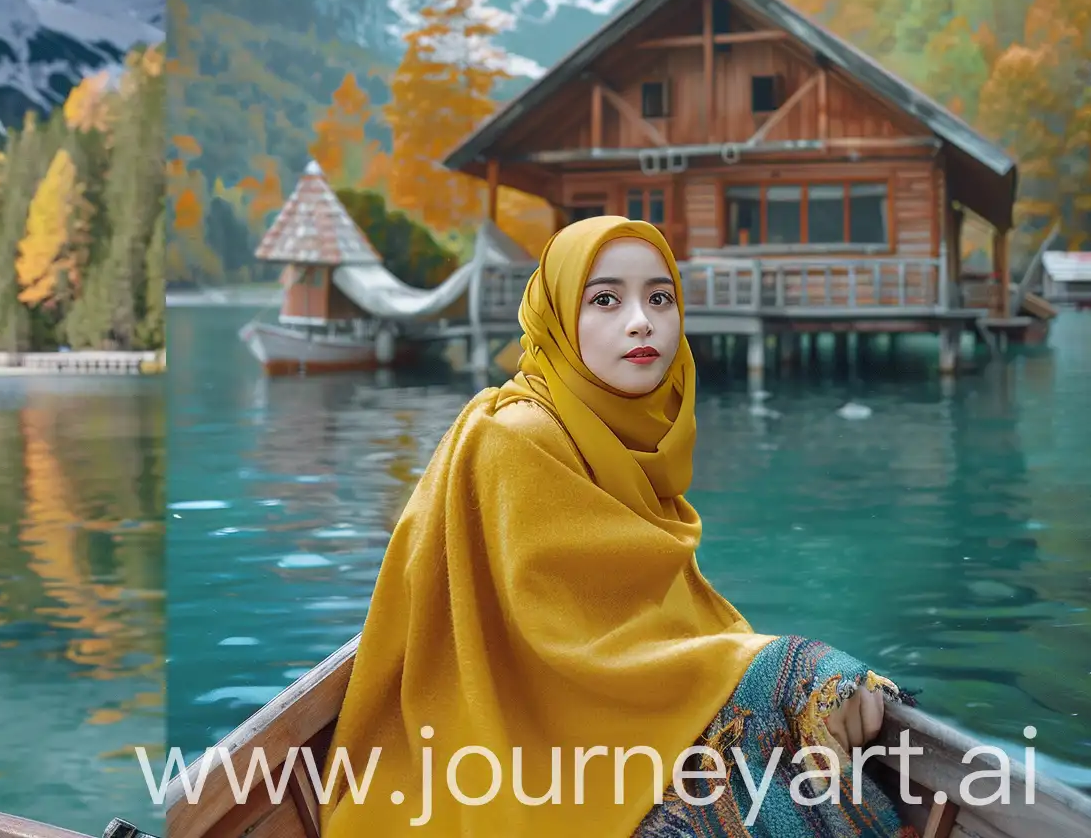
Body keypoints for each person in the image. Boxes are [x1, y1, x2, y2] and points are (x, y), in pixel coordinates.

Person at [324, 217, 916, 838]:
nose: (642, 321)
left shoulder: (630, 440)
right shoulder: (519, 437)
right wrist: (784, 667)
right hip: (518, 744)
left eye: (660, 298)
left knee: (801, 785)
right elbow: (564, 648)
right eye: (605, 299)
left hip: (600, 722)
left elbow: (632, 628)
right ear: (557, 316)